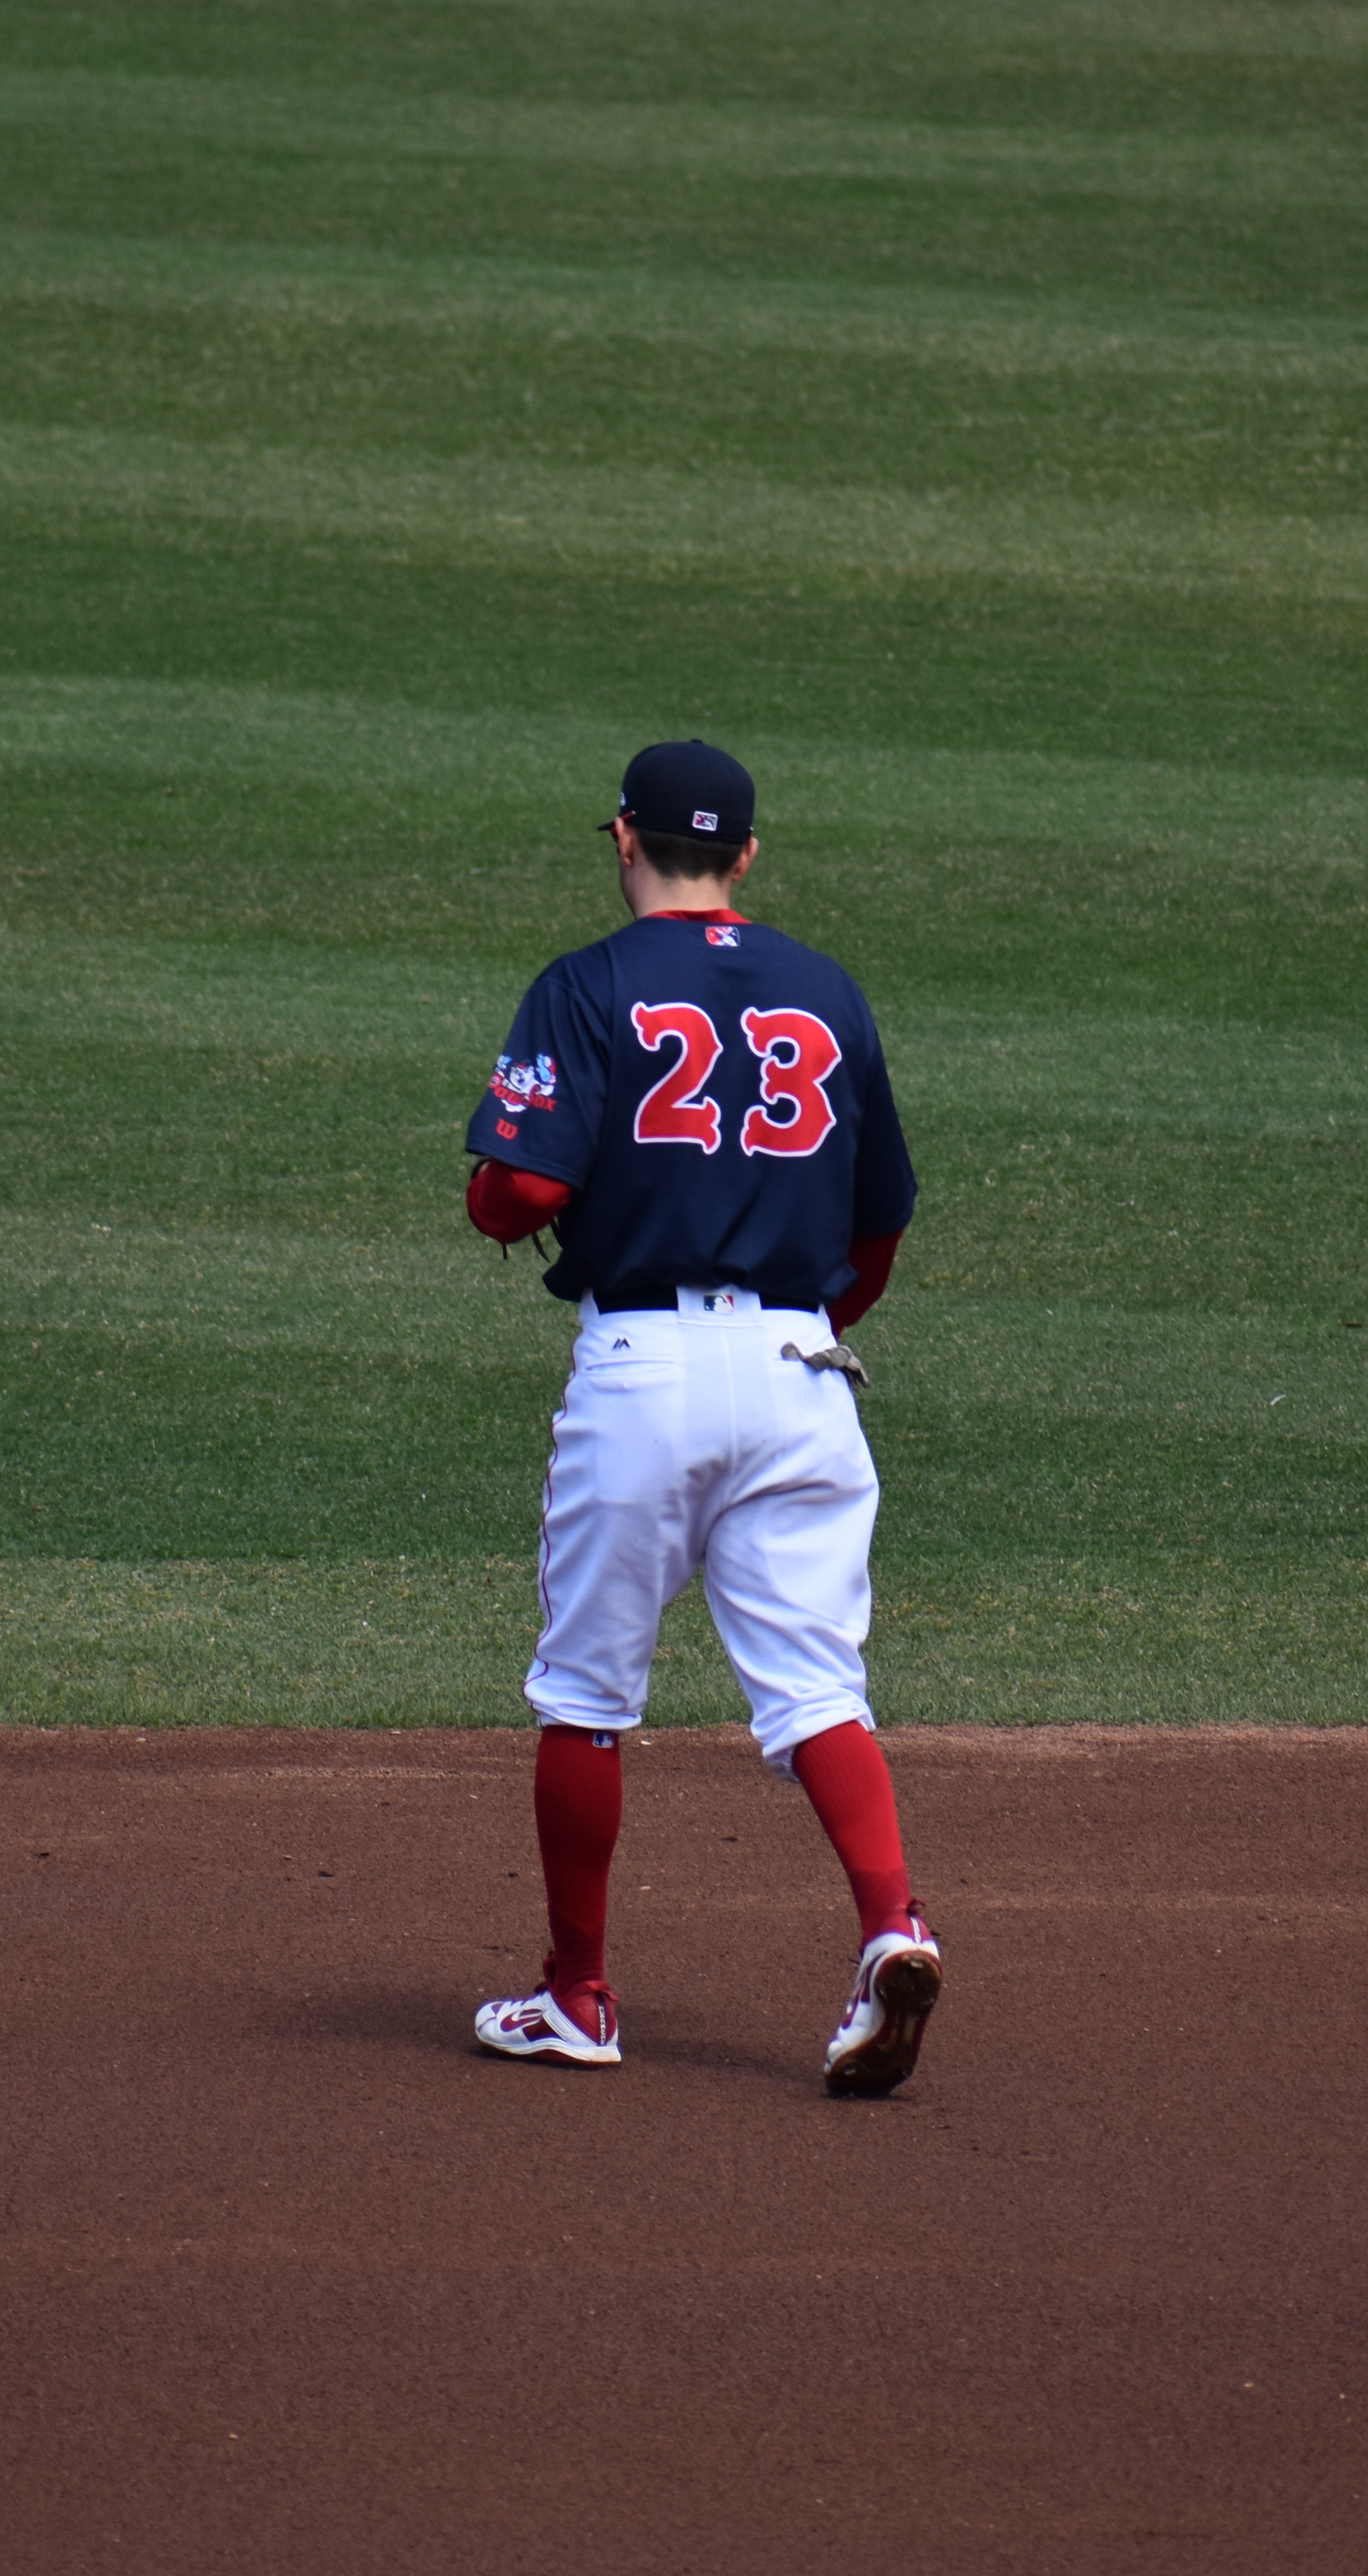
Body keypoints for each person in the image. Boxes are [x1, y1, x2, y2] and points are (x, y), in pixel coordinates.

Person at [458, 739, 940, 2096]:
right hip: (802, 1371)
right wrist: (800, 1332)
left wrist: (491, 1201)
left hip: (644, 1368)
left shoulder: (590, 984)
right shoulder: (826, 992)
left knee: (586, 1696)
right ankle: (895, 1923)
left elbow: (525, 1189)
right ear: (745, 855)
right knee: (816, 1689)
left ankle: (577, 1996)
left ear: (624, 838)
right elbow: (880, 1225)